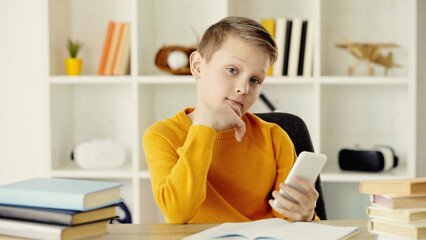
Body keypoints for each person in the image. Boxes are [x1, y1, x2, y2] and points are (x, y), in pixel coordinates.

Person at [143, 16, 319, 224]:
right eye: (232, 70)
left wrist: (306, 215)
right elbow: (178, 212)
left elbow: (289, 221)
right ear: (198, 66)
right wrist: (204, 129)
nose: (243, 89)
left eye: (255, 80)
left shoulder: (274, 137)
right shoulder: (163, 136)